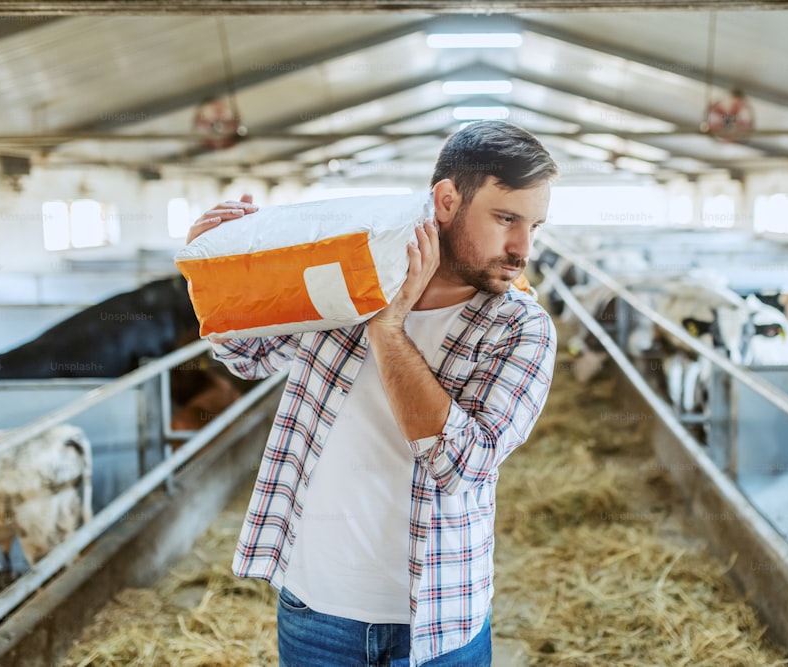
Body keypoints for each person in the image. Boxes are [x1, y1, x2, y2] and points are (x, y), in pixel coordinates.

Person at [186, 120, 559, 667]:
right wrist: (214, 270)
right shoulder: (345, 282)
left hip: (439, 623)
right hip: (316, 610)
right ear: (447, 201)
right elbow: (249, 357)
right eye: (506, 219)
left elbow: (460, 465)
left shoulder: (521, 329)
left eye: (534, 225)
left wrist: (388, 331)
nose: (522, 247)